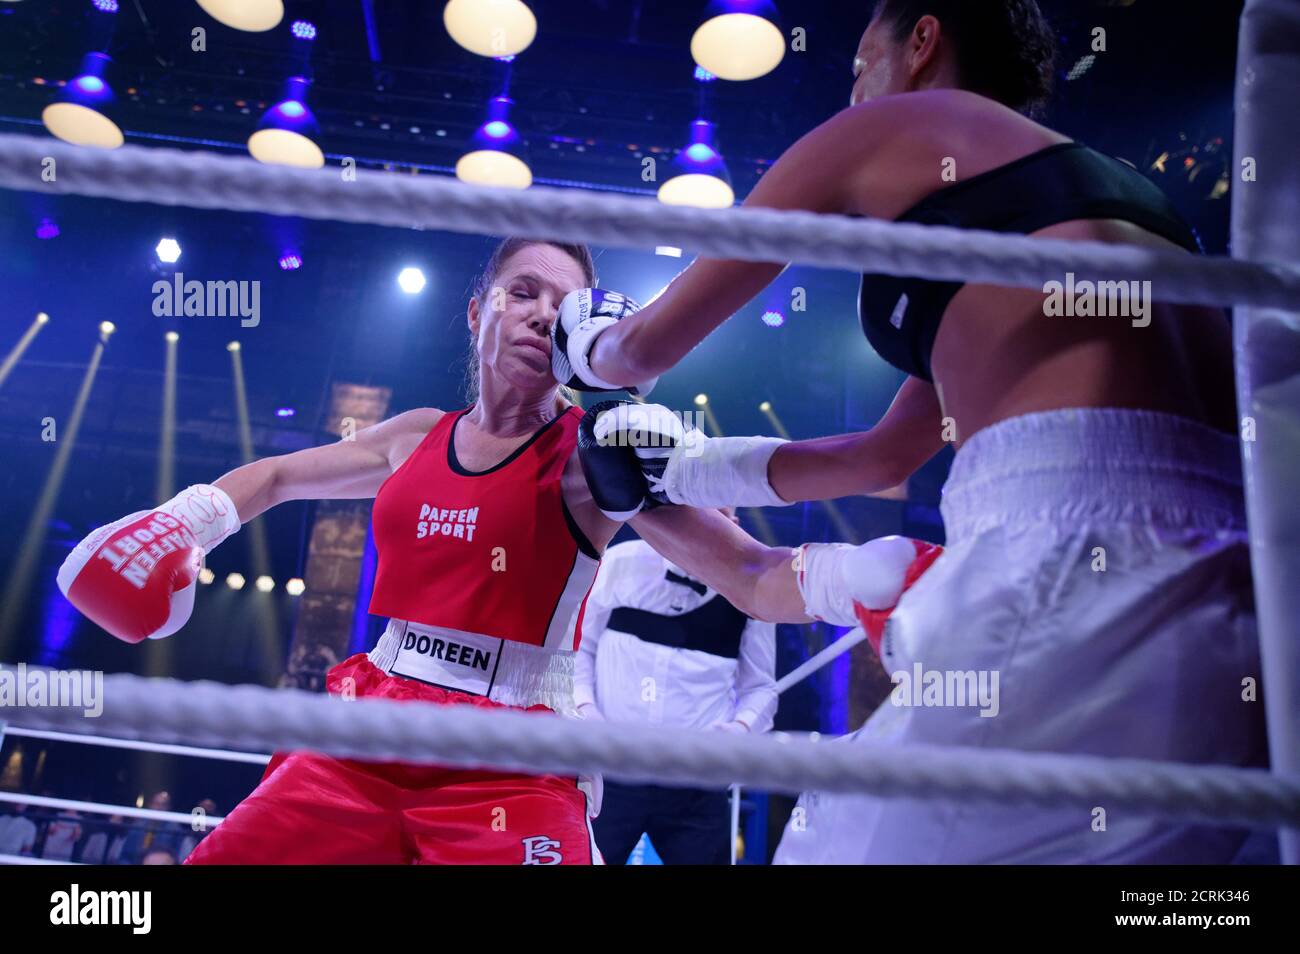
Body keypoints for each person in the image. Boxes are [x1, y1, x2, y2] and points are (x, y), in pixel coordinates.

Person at [552, 0, 1267, 863]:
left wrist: (586, 339)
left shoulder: (904, 125)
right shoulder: (1094, 205)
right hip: (1239, 593)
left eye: (860, 64)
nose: (855, 91)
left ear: (922, 41)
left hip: (1065, 556)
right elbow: (880, 454)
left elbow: (643, 348)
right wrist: (680, 478)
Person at [59, 237, 921, 865]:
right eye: (522, 291)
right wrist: (187, 521)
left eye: (564, 304)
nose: (542, 313)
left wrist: (861, 577)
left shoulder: (597, 456)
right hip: (361, 736)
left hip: (510, 766)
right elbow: (280, 474)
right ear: (479, 311)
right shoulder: (410, 437)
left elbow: (750, 577)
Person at [576, 507, 777, 864]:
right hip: (612, 769)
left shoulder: (751, 590)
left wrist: (738, 730)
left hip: (696, 779)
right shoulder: (619, 563)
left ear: (735, 524)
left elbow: (761, 687)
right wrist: (586, 712)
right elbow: (577, 649)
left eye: (724, 516)